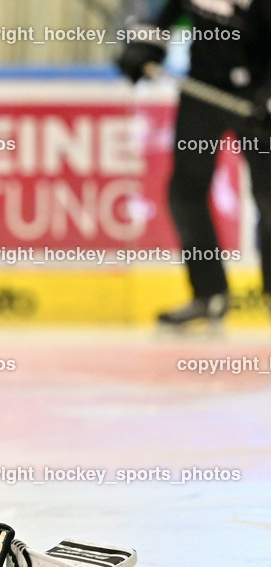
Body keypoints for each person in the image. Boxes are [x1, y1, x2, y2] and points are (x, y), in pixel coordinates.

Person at [116, 0, 271, 326]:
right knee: (185, 193)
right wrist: (143, 50)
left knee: (268, 197)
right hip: (202, 93)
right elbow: (162, 22)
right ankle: (209, 293)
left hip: (257, 100)